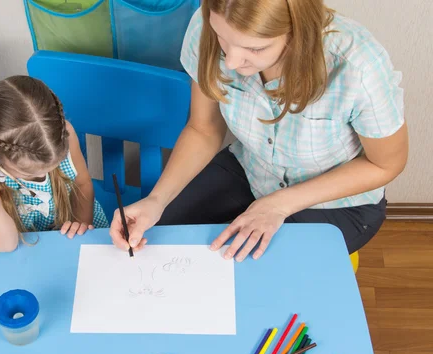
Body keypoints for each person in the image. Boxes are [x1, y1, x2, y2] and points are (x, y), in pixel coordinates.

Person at [110, 0, 408, 261]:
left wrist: (278, 205)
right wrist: (157, 200)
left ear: (297, 31)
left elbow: (385, 163)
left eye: (254, 48)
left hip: (337, 203)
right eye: (222, 38)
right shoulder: (205, 28)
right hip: (252, 170)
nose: (231, 62)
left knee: (257, 276)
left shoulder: (358, 64)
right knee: (163, 240)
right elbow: (203, 129)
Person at [0, 76, 108, 252]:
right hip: (20, 242)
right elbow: (5, 245)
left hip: (73, 224)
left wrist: (80, 225)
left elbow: (82, 183)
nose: (42, 176)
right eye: (29, 174)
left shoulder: (63, 132)